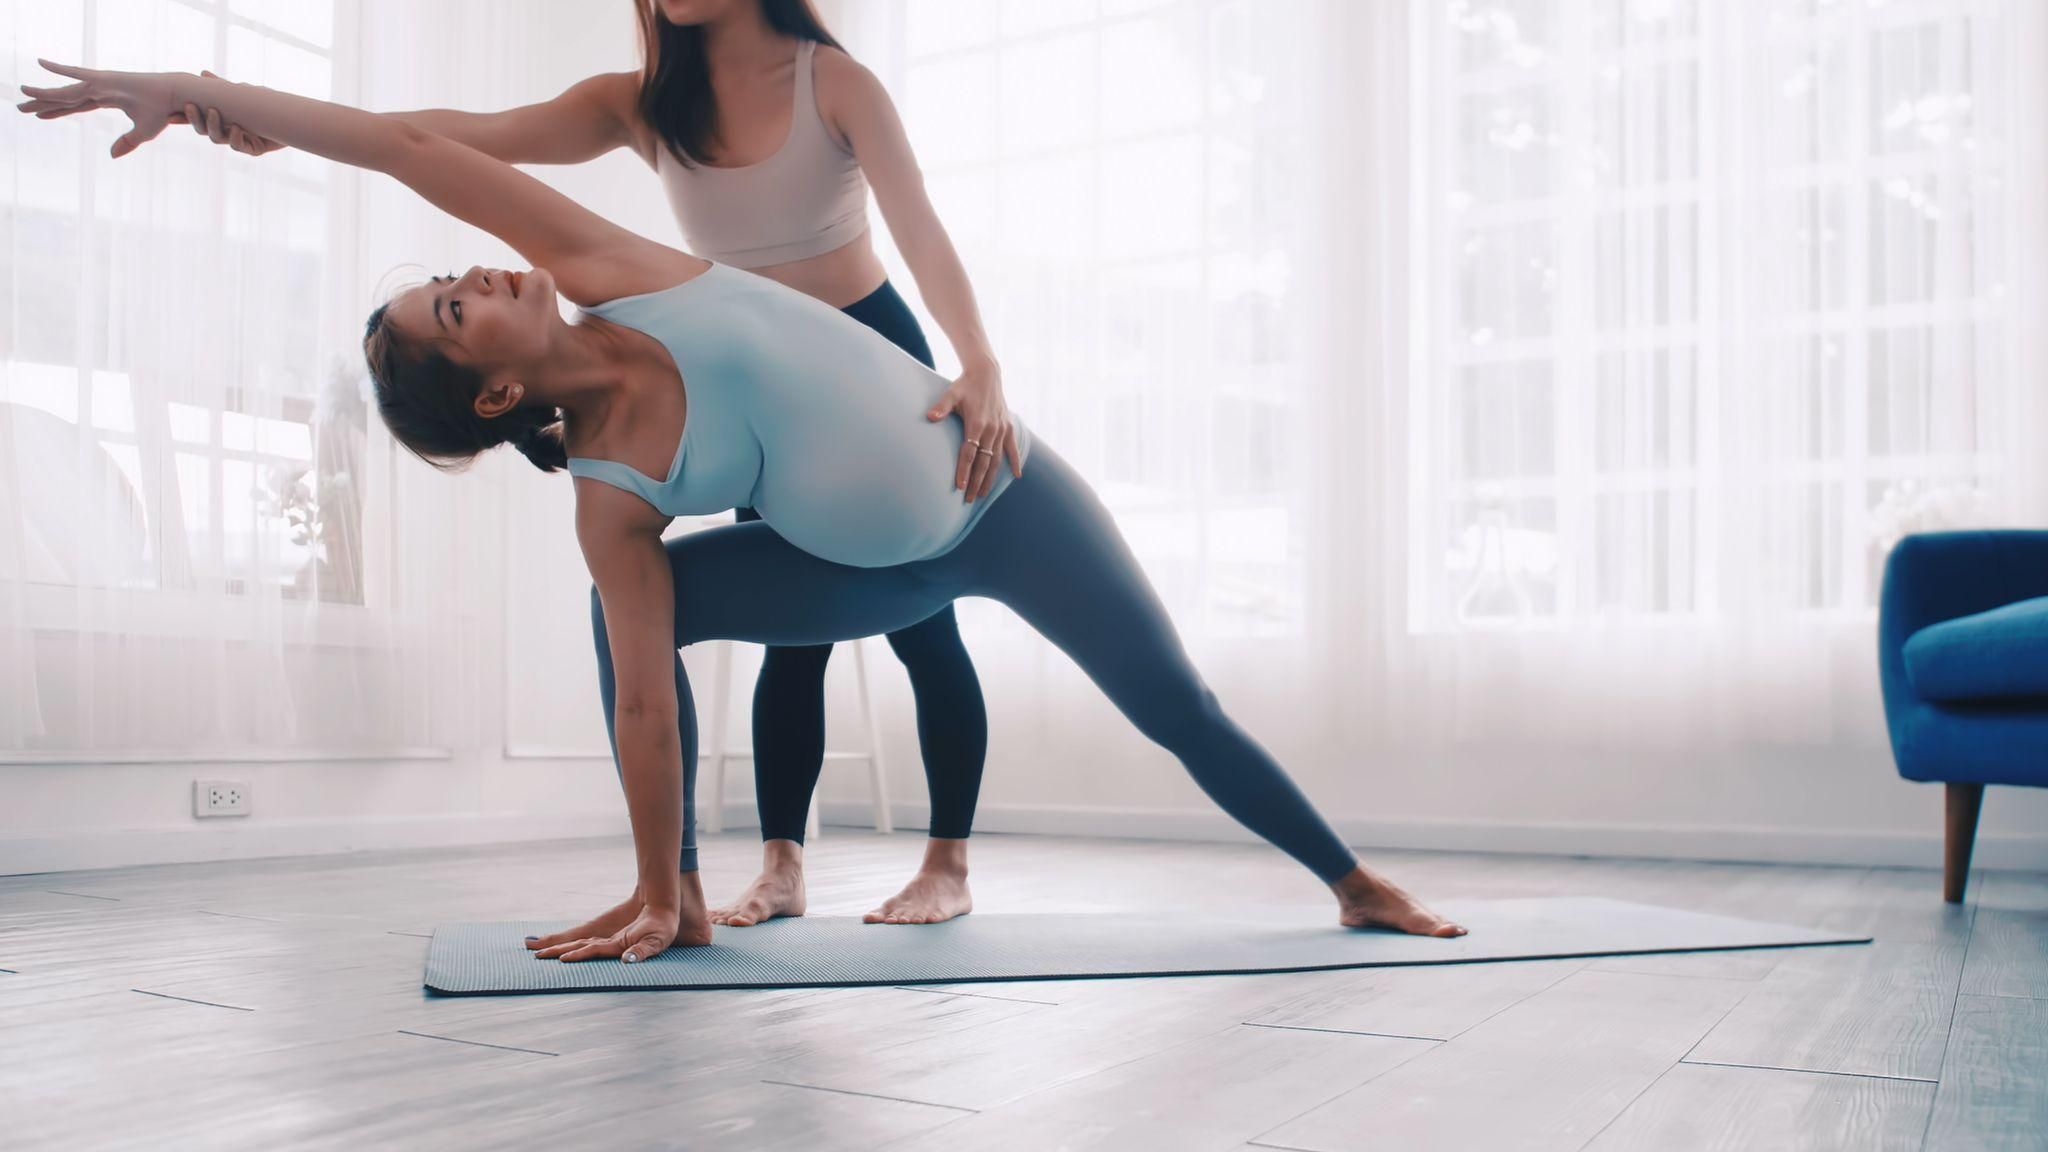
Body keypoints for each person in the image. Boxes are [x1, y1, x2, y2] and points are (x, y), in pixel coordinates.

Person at [17, 60, 1469, 965]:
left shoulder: (608, 262)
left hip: (1000, 496)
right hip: (853, 578)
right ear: (483, 396)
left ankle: (1351, 882)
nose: (483, 271)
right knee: (630, 627)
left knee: (1179, 703)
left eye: (458, 272)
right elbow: (646, 710)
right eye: (457, 304)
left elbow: (403, 143)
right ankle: (683, 895)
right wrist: (660, 877)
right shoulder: (610, 499)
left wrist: (200, 97)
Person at [170, 0, 1009, 929]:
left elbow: (919, 225)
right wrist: (276, 127)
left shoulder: (834, 82)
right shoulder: (640, 106)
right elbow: (451, 139)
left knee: (927, 620)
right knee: (793, 641)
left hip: (872, 359)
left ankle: (949, 862)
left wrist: (978, 357)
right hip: (747, 382)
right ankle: (782, 865)